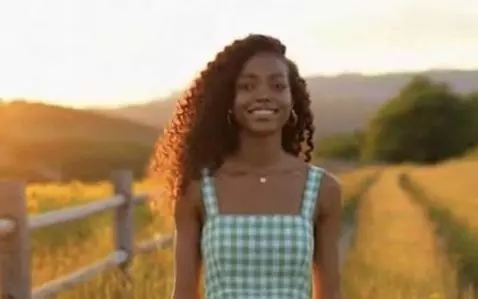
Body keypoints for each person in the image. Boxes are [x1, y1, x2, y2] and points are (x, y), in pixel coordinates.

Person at [150, 33, 342, 299]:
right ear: (228, 99)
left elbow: (330, 294)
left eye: (277, 86)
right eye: (247, 86)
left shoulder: (323, 189)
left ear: (292, 99)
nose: (263, 96)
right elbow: (183, 294)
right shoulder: (197, 189)